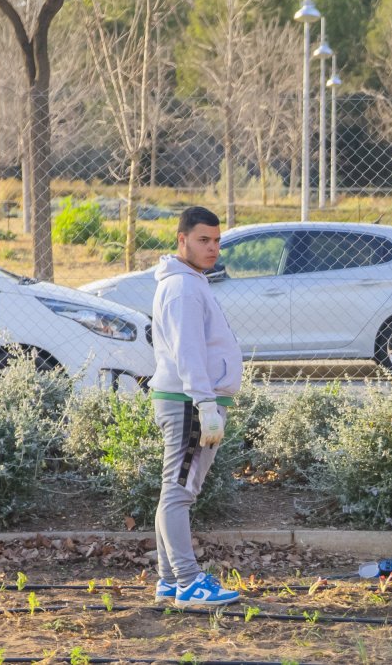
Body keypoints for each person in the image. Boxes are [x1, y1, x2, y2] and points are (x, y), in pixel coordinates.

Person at [147, 206, 243, 608]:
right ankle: (188, 582)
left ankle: (170, 581)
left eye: (217, 240)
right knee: (178, 492)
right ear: (181, 240)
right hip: (189, 402)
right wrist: (205, 405)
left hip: (190, 400)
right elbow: (188, 352)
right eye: (204, 240)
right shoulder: (184, 287)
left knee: (175, 489)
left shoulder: (190, 281)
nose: (213, 248)